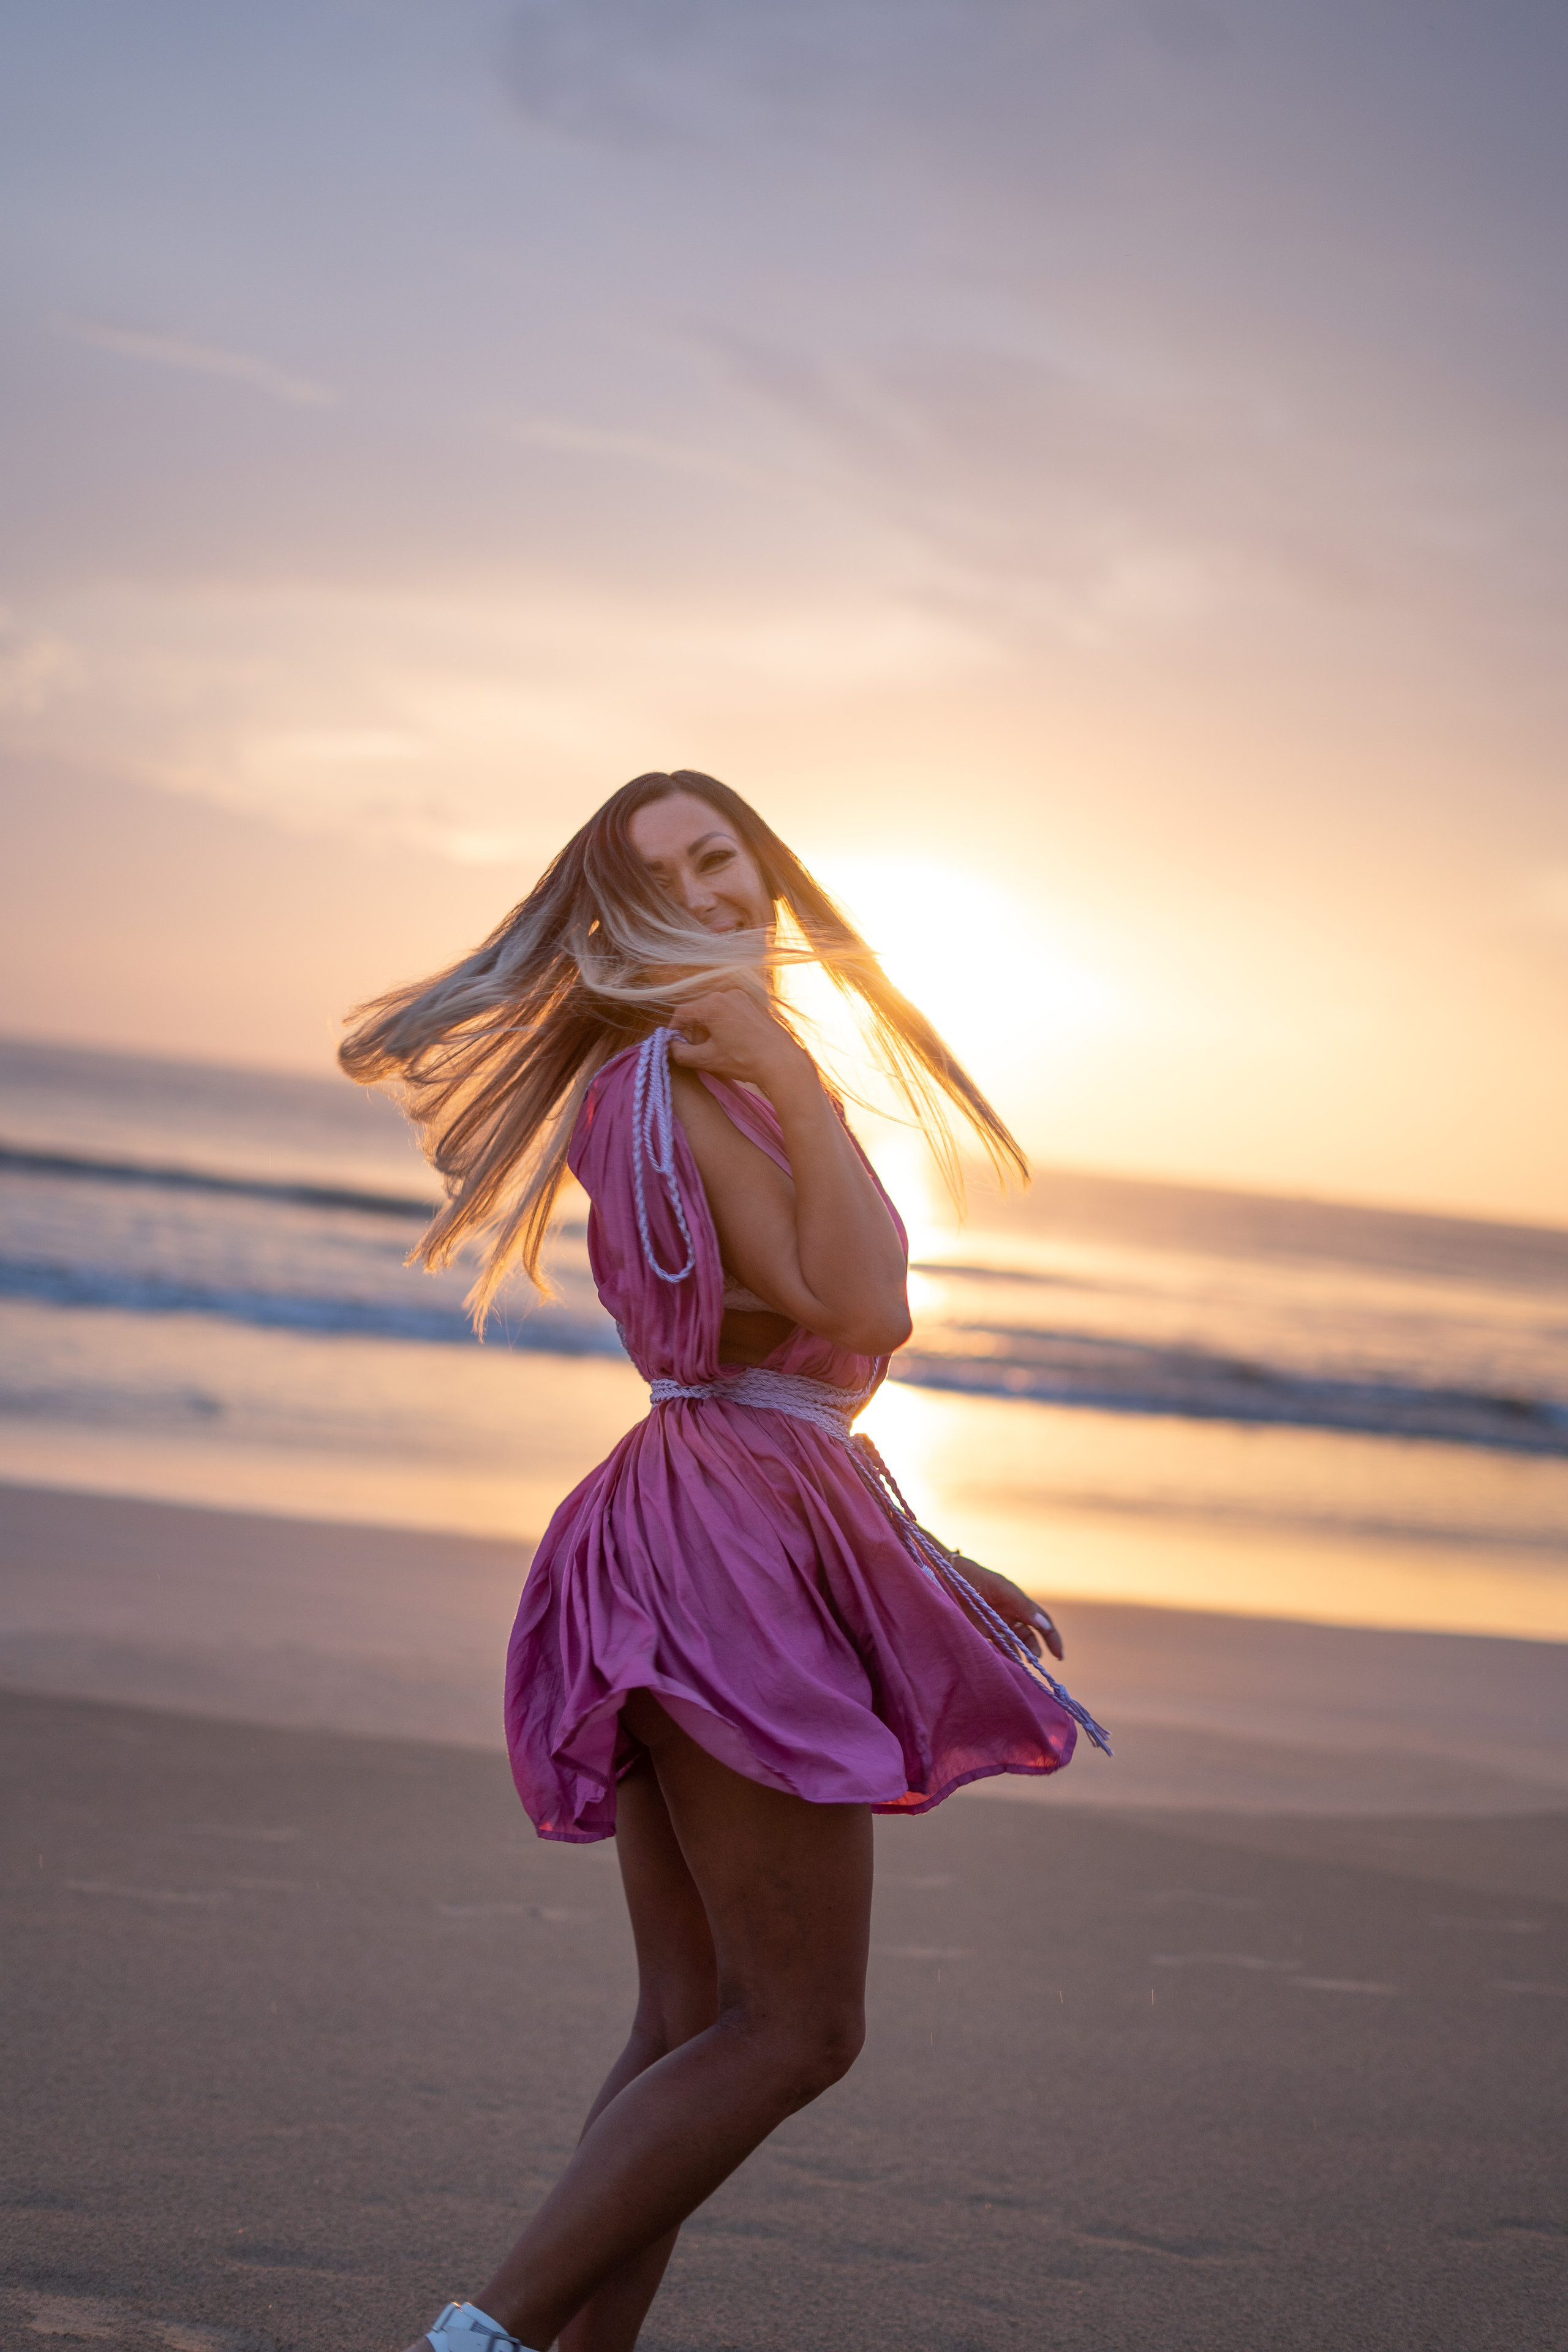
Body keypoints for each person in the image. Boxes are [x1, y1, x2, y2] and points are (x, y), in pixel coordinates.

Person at [339, 770, 1107, 2352]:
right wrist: (797, 1082)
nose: (711, 893)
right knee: (799, 2027)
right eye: (666, 879)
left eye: (724, 856)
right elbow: (866, 1304)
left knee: (696, 2021)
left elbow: (790, 1364)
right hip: (721, 1551)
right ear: (617, 924)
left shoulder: (681, 1071)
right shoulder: (691, 1073)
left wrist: (922, 1557)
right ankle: (474, 2344)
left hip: (705, 1517)